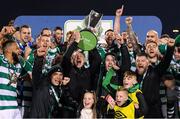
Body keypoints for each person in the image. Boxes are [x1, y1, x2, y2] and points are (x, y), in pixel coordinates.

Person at [30, 46, 76, 118]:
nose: (58, 77)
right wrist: (39, 58)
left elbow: (66, 104)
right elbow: (36, 72)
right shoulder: (41, 85)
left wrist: (64, 87)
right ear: (50, 76)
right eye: (55, 74)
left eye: (60, 75)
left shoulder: (60, 90)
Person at [135, 38, 174, 117]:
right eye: (138, 61)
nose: (140, 63)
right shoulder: (135, 74)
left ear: (148, 62)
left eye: (142, 61)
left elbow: (166, 62)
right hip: (138, 109)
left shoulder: (155, 71)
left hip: (154, 111)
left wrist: (170, 48)